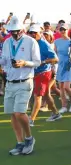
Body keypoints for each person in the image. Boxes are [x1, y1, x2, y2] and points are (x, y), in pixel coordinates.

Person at [0, 16, 40, 155]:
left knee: (19, 113)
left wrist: (24, 63)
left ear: (22, 29)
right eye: (12, 31)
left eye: (17, 30)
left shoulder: (31, 41)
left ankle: (29, 138)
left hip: (25, 81)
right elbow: (4, 60)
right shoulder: (6, 43)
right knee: (13, 114)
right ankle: (19, 142)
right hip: (10, 82)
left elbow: (37, 62)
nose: (14, 33)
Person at [27, 24, 61, 126]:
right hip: (36, 73)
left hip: (43, 73)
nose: (33, 34)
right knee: (46, 95)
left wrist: (43, 62)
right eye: (31, 32)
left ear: (40, 33)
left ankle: (31, 120)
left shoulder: (43, 44)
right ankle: (56, 113)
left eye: (35, 33)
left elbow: (55, 59)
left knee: (38, 96)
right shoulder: (31, 43)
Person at [54, 24, 71, 114]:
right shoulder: (56, 41)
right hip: (60, 66)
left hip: (69, 66)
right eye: (61, 29)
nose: (62, 31)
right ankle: (64, 106)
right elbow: (55, 53)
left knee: (67, 87)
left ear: (67, 30)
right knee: (61, 87)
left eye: (64, 29)